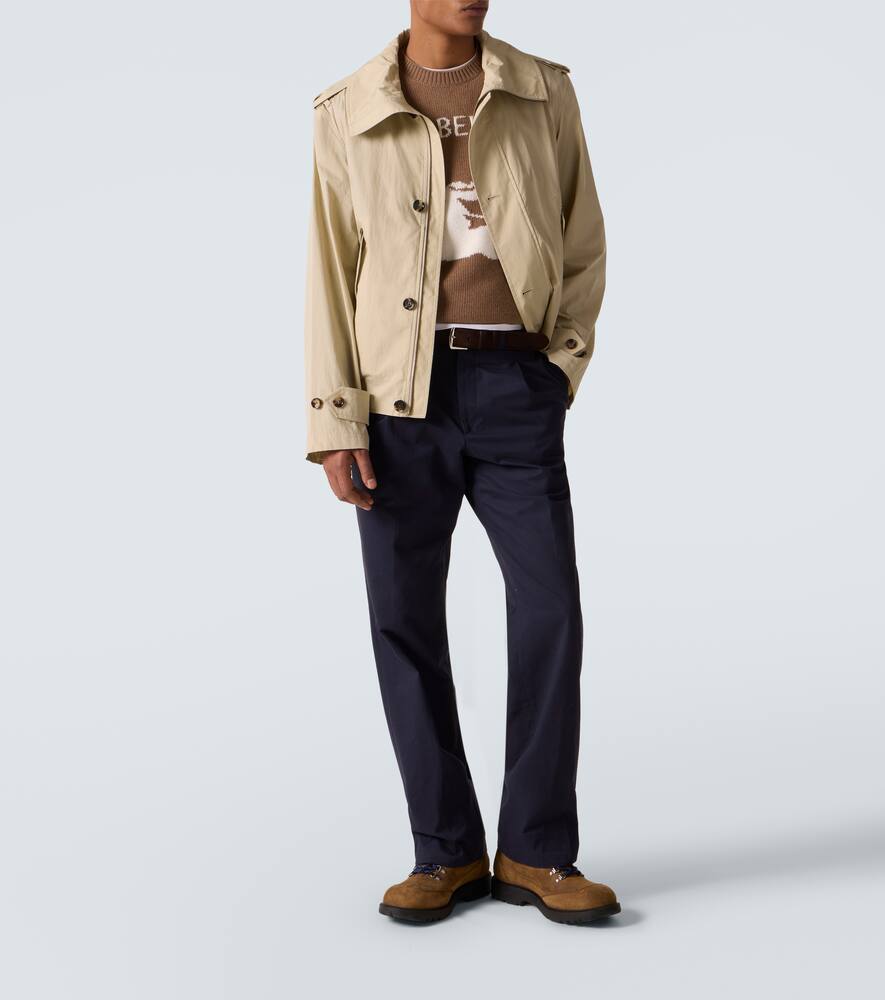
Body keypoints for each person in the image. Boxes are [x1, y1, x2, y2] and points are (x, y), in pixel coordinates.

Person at [304, 0, 620, 925]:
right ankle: (443, 852)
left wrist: (558, 368)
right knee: (404, 624)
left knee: (550, 611)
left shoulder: (541, 90)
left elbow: (583, 238)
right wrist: (335, 419)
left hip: (516, 387)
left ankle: (535, 851)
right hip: (397, 401)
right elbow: (328, 270)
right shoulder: (347, 109)